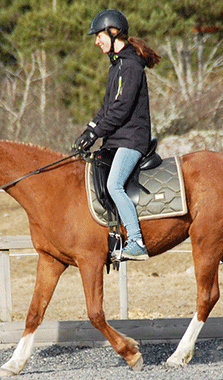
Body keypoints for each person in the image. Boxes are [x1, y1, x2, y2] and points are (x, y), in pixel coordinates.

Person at [72, 9, 161, 261]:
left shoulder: (130, 66)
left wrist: (97, 132)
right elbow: (106, 109)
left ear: (113, 34)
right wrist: (89, 131)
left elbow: (121, 110)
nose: (96, 41)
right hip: (118, 139)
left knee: (114, 184)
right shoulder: (117, 66)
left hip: (132, 140)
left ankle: (136, 241)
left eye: (99, 36)